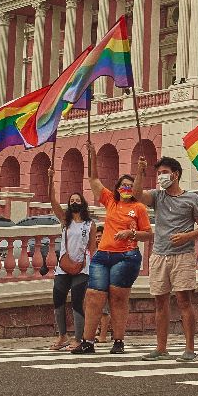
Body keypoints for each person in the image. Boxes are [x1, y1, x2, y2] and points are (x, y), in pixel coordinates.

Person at [73, 145, 152, 354]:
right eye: (123, 185)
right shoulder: (110, 201)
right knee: (93, 295)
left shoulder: (139, 208)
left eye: (130, 185)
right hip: (103, 255)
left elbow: (148, 233)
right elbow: (94, 180)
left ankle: (118, 340)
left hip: (126, 256)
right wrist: (93, 157)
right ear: (117, 188)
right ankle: (87, 342)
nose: (126, 188)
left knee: (118, 296)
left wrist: (131, 234)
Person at [137, 157, 198, 362]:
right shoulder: (157, 197)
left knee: (183, 300)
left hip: (183, 255)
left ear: (176, 174)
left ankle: (189, 349)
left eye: (165, 172)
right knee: (160, 302)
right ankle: (161, 348)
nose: (161, 176)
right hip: (159, 255)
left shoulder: (192, 199)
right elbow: (136, 195)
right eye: (159, 173)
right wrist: (140, 172)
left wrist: (187, 236)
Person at [47, 174, 96, 351]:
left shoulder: (90, 224)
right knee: (58, 298)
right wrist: (50, 180)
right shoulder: (65, 220)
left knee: (77, 300)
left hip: (82, 268)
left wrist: (92, 265)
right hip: (64, 267)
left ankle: (78, 338)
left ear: (82, 203)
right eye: (71, 200)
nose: (74, 202)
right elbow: (52, 201)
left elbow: (92, 246)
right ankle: (62, 336)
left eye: (77, 199)